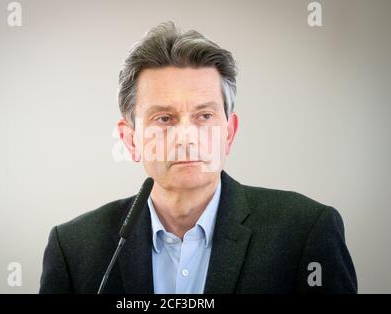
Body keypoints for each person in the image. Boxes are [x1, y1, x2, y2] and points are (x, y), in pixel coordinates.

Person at [39, 22, 357, 294]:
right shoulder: (74, 248)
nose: (187, 136)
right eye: (164, 118)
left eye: (204, 115)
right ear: (130, 140)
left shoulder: (306, 232)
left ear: (229, 133)